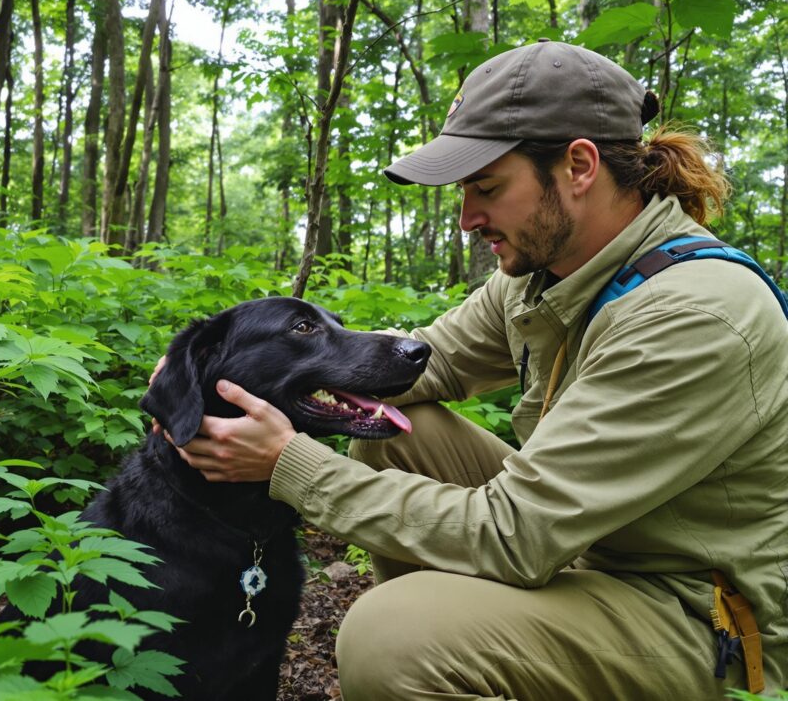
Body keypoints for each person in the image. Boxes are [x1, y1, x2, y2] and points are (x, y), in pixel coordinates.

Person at [166, 40, 788, 699]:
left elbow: (519, 534)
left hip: (700, 618)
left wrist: (289, 464)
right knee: (399, 430)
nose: (468, 219)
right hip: (593, 552)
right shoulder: (547, 270)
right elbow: (412, 368)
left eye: (487, 187)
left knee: (392, 639)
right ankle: (464, 660)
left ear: (579, 165)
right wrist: (198, 371)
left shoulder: (693, 314)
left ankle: (435, 658)